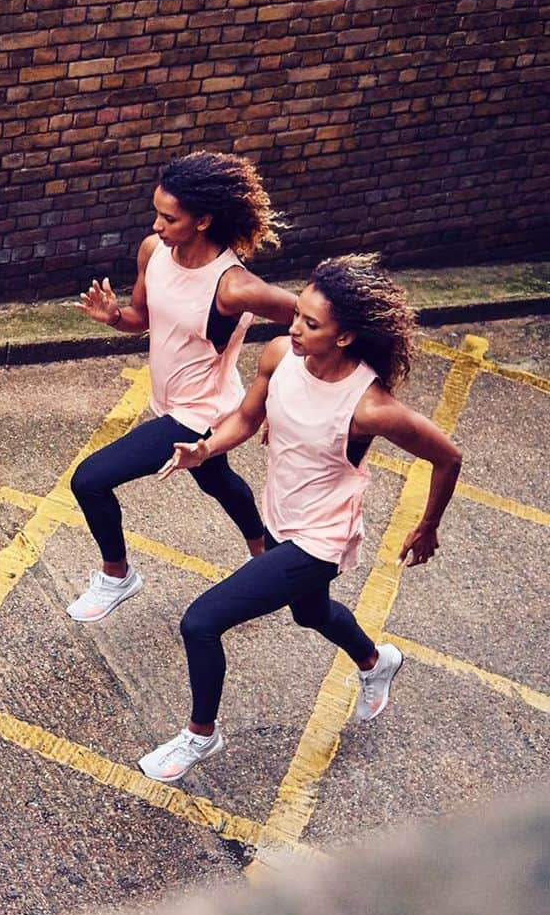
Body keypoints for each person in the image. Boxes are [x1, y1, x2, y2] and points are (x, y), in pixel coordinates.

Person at [137, 254, 462, 783]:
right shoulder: (279, 355)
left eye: (311, 324)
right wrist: (206, 447)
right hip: (281, 515)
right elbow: (246, 416)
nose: (294, 327)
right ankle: (376, 661)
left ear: (346, 337)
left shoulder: (371, 407)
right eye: (297, 316)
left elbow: (447, 457)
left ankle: (200, 736)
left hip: (321, 539)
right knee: (309, 614)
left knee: (201, 622)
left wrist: (427, 528)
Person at [66, 150, 299, 623]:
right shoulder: (154, 253)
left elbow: (314, 322)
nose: (156, 226)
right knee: (217, 480)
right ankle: (266, 558)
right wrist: (113, 317)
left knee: (89, 480)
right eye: (156, 213)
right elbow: (141, 319)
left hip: (202, 412)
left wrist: (278, 388)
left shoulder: (234, 287)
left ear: (204, 220)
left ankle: (117, 576)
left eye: (169, 218)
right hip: (170, 399)